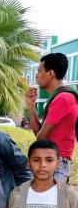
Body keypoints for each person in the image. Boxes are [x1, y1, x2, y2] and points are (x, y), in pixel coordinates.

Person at [26, 53, 78, 183]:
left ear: (50, 73)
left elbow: (40, 137)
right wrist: (31, 105)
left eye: (39, 71)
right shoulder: (59, 97)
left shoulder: (63, 98)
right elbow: (39, 134)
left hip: (56, 163)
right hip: (51, 160)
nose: (36, 75)